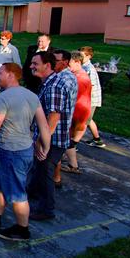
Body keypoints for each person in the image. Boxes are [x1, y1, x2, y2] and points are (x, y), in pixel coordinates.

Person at [0, 63, 51, 241]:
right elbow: (44, 125)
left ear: (11, 75)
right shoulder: (31, 95)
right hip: (25, 149)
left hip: (13, 152)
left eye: (0, 72)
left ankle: (22, 229)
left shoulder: (2, 98)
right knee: (3, 184)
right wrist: (46, 147)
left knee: (17, 193)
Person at [26, 51, 75, 221]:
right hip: (50, 138)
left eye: (35, 64)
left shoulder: (54, 86)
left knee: (45, 171)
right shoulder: (49, 83)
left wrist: (42, 141)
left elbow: (53, 118)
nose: (31, 66)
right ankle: (31, 191)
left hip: (52, 140)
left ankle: (46, 210)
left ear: (47, 65)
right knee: (39, 167)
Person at [58, 51, 92, 176]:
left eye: (70, 63)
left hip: (77, 111)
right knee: (68, 138)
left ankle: (73, 165)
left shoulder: (79, 78)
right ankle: (71, 163)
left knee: (66, 137)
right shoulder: (80, 75)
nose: (68, 66)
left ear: (77, 62)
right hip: (81, 110)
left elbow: (74, 97)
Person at [51, 49, 79, 188]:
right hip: (62, 123)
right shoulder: (66, 76)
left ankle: (54, 180)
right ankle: (56, 178)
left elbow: (55, 110)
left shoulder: (62, 80)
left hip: (58, 124)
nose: (51, 63)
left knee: (52, 154)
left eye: (55, 61)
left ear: (65, 62)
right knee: (55, 154)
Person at [80, 46, 105, 148]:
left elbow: (91, 86)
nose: (80, 58)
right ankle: (97, 140)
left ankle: (73, 144)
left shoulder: (89, 69)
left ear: (89, 56)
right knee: (89, 120)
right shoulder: (82, 66)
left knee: (83, 122)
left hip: (91, 100)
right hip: (86, 99)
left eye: (82, 56)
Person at [0, 31, 21, 97]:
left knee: (4, 92)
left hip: (6, 74)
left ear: (8, 39)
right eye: (0, 38)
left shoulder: (13, 49)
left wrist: (17, 75)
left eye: (2, 39)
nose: (0, 40)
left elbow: (17, 63)